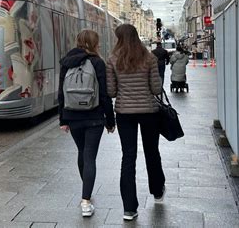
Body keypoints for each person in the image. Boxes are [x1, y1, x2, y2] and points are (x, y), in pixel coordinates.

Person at [106, 24, 165, 221]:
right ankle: (157, 190)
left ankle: (129, 208)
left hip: (125, 113)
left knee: (128, 157)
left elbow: (112, 92)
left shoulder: (113, 60)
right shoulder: (149, 58)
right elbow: (156, 89)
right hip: (148, 112)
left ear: (119, 38)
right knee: (151, 151)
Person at [58, 29, 115, 218]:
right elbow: (105, 95)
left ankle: (86, 192)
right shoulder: (98, 62)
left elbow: (61, 93)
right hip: (94, 117)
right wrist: (110, 120)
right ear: (95, 42)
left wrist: (62, 120)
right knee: (90, 156)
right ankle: (86, 200)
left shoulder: (66, 62)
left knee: (82, 153)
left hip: (73, 116)